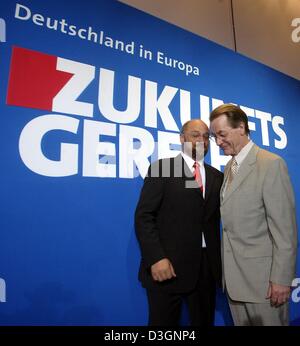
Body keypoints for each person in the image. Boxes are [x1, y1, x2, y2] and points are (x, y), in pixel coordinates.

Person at [209, 103, 298, 326]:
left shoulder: (271, 164)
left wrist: (281, 279)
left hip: (264, 286)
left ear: (241, 128)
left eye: (222, 134)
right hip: (234, 282)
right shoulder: (229, 167)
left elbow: (285, 231)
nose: (218, 143)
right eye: (215, 137)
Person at [135, 119, 223, 326]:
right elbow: (144, 217)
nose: (201, 141)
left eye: (205, 136)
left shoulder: (217, 176)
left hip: (206, 271)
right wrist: (156, 258)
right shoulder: (162, 168)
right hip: (167, 268)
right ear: (182, 138)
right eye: (195, 135)